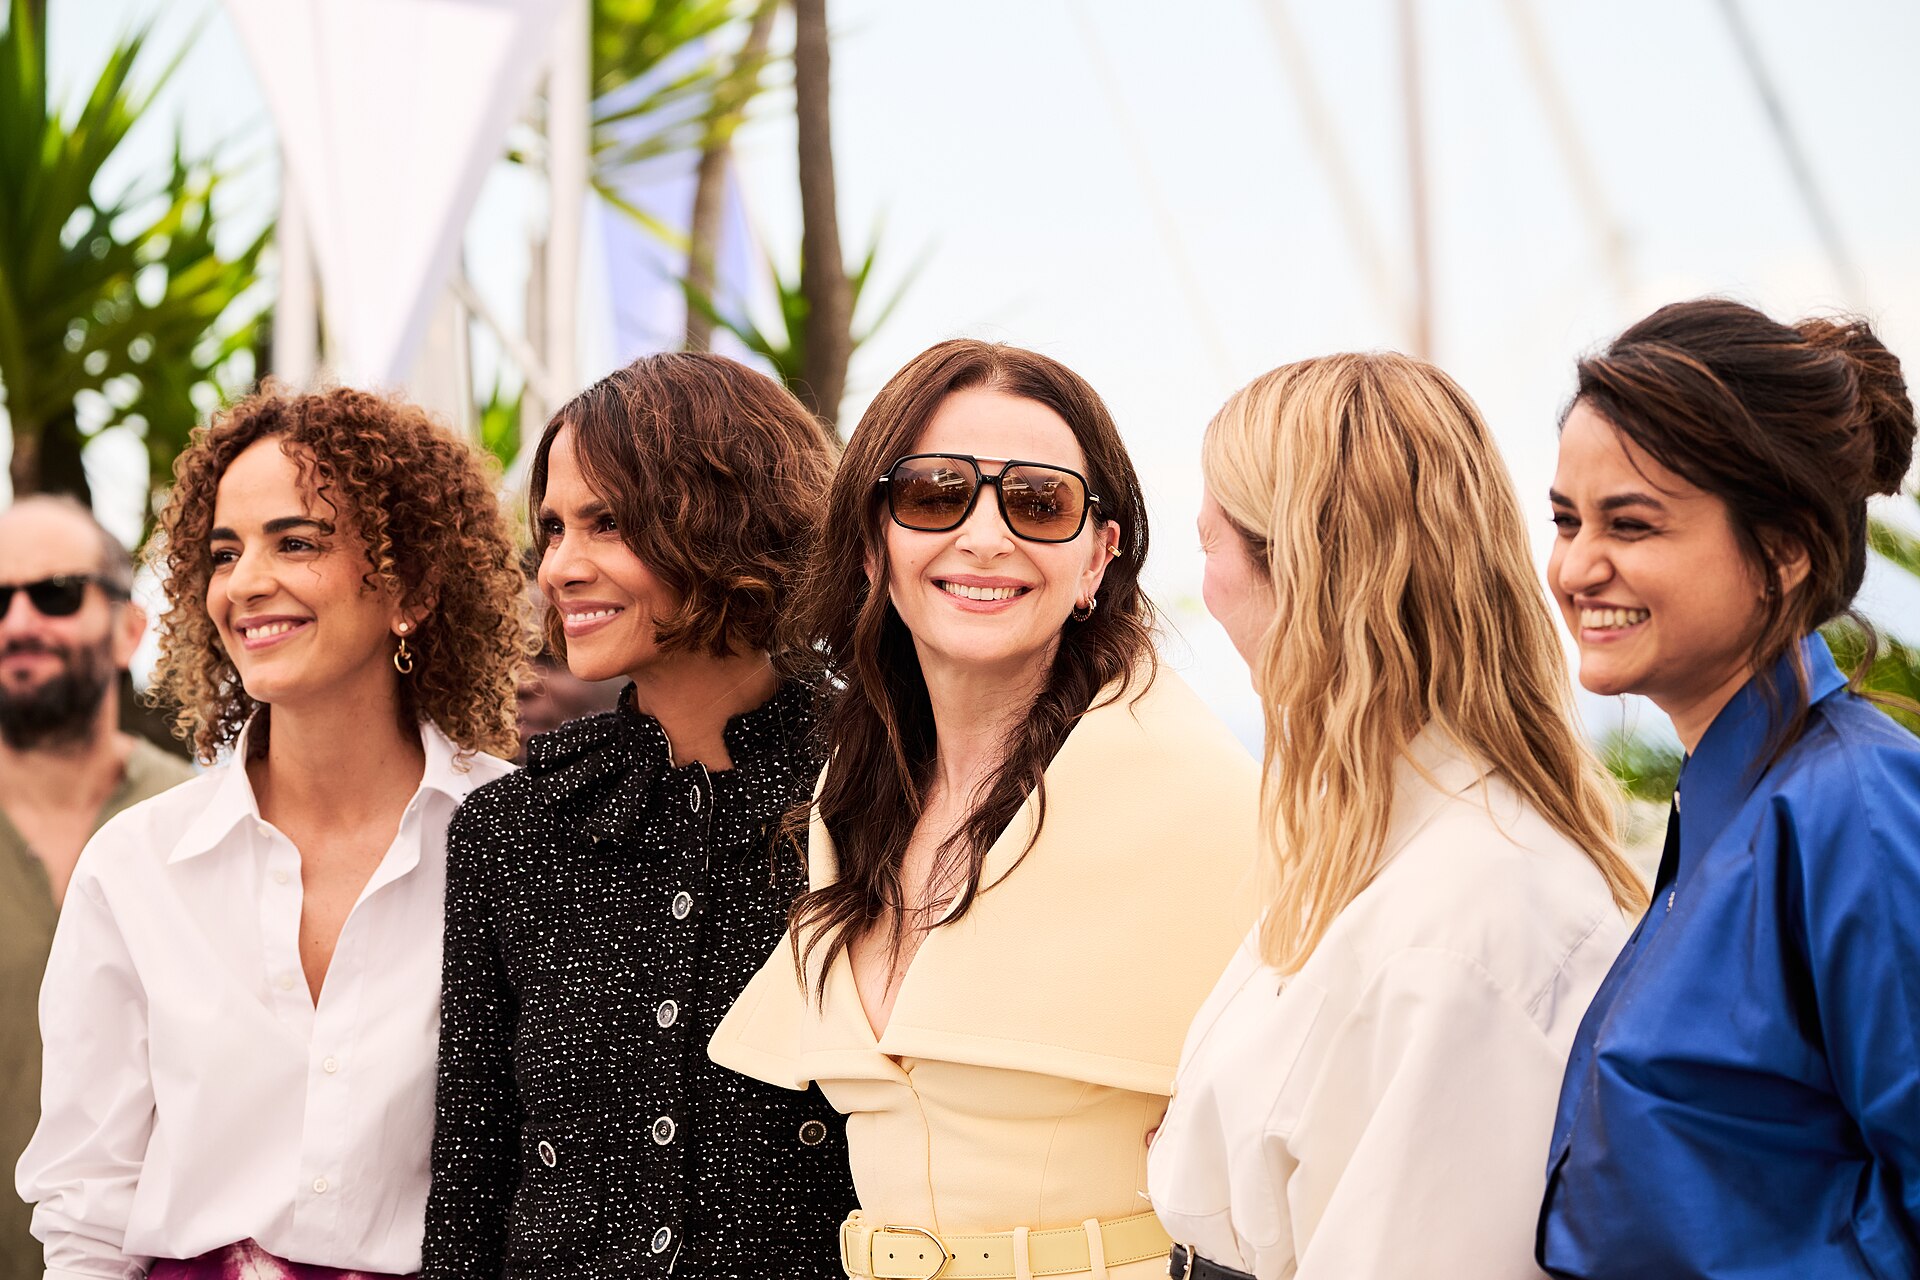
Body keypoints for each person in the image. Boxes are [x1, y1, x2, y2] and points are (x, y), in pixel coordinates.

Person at [711, 340, 1260, 1280]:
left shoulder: (1199, 792)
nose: (985, 536)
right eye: (934, 494)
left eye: (1038, 503)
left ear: (1099, 556)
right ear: (872, 537)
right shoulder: (855, 788)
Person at [1147, 353, 1646, 1280]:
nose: (1204, 584)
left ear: (1299, 575)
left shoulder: (1467, 917)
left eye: (1210, 539)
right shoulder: (1391, 853)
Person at [16, 387, 526, 1280]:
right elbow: (86, 1218)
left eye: (297, 541)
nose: (246, 582)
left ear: (411, 587)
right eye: (224, 552)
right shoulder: (136, 869)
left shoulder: (520, 842)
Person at [422, 353, 854, 1279]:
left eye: (607, 523)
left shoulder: (882, 797)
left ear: (726, 518)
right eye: (550, 530)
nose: (558, 569)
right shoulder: (508, 833)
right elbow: (471, 1171)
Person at [1537, 300, 1920, 1279]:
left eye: (1630, 523)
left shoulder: (1857, 808)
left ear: (1785, 549)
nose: (1578, 566)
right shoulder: (1732, 801)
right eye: (1566, 519)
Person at [0, 496, 195, 1280]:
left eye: (55, 593)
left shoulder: (208, 826)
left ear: (131, 629)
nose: (18, 622)